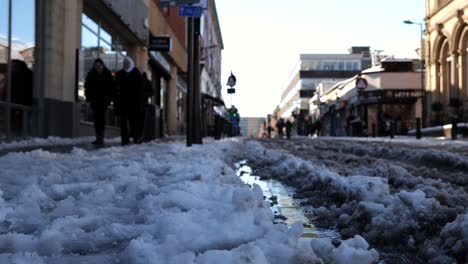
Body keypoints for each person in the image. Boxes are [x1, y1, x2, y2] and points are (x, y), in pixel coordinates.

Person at [84, 58, 114, 147]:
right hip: (94, 101)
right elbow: (87, 87)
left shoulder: (107, 74)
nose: (98, 67)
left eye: (99, 66)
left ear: (102, 66)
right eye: (96, 66)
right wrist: (89, 99)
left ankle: (101, 137)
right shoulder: (91, 74)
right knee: (96, 119)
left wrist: (109, 100)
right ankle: (98, 137)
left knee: (101, 119)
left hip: (104, 101)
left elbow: (111, 88)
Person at [115, 56, 144, 145]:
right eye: (124, 63)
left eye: (127, 63)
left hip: (134, 102)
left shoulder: (136, 73)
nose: (126, 65)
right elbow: (116, 87)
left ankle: (136, 137)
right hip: (122, 102)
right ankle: (124, 140)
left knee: (133, 121)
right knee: (123, 122)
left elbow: (140, 89)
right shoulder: (120, 74)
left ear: (131, 64)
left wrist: (140, 100)